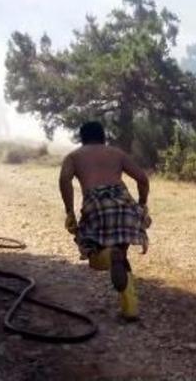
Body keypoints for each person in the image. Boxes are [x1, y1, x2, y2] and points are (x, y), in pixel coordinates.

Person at [59, 121, 151, 320]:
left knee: (95, 255)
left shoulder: (74, 156)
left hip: (96, 203)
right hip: (123, 202)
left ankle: (109, 256)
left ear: (82, 138)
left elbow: (64, 179)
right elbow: (142, 179)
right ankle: (130, 309)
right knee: (121, 252)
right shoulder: (116, 153)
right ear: (103, 137)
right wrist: (142, 205)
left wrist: (69, 211)